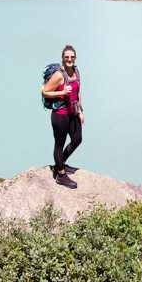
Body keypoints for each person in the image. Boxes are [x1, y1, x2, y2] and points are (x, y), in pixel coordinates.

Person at [42, 45, 85, 188]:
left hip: (73, 113)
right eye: (67, 57)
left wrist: (81, 111)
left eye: (72, 57)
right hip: (60, 115)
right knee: (59, 144)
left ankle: (59, 164)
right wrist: (62, 93)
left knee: (77, 139)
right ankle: (60, 175)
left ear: (75, 58)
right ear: (63, 58)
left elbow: (78, 92)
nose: (69, 59)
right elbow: (45, 92)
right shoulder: (59, 75)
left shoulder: (76, 71)